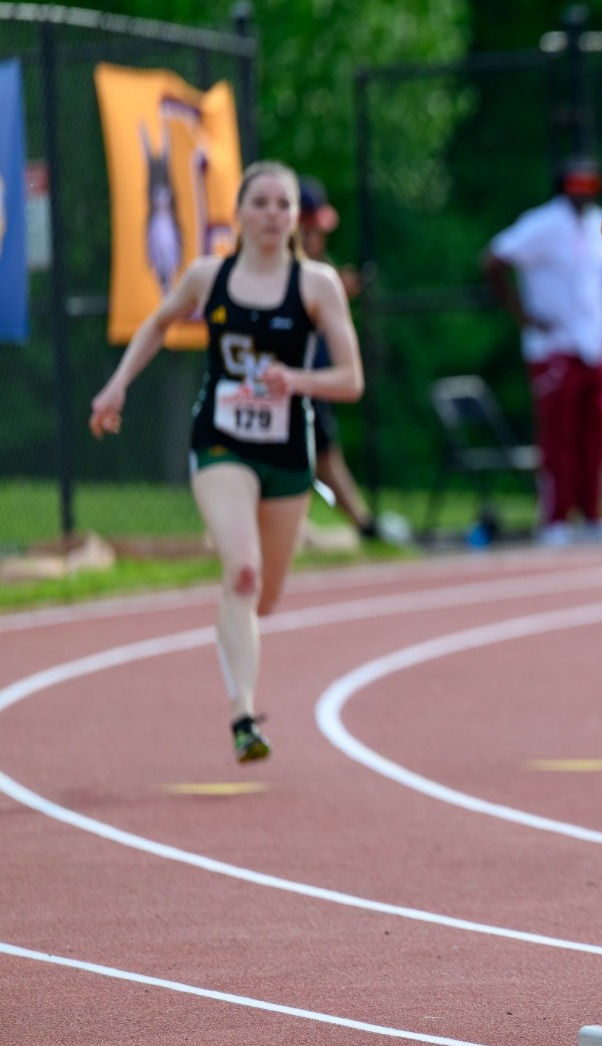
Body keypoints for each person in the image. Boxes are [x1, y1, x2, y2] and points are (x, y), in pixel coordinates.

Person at [88, 160, 363, 763]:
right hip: (221, 442)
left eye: (282, 205)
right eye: (260, 203)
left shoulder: (316, 284)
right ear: (236, 214)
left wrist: (295, 379)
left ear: (296, 218)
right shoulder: (208, 276)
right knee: (241, 571)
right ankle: (244, 715)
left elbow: (352, 380)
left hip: (289, 451)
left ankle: (240, 635)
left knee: (264, 598)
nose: (271, 215)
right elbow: (157, 324)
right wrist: (116, 387)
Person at [482, 155, 602, 547]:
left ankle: (594, 514)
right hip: (554, 348)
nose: (582, 193)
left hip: (595, 347)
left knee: (595, 434)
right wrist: (524, 316)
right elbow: (494, 259)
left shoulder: (601, 223)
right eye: (576, 184)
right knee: (558, 435)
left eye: (590, 184)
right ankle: (555, 518)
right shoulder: (542, 225)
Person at [296, 175, 402, 544]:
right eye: (311, 228)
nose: (318, 237)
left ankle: (360, 522)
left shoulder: (312, 258)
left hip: (317, 370)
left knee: (322, 448)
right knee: (316, 451)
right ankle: (359, 522)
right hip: (298, 371)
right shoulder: (285, 261)